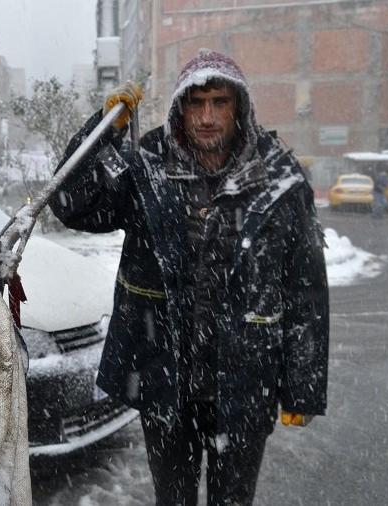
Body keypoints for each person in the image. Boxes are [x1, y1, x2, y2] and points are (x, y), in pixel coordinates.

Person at [50, 50, 329, 505]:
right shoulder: (148, 165)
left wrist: (303, 385)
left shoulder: (279, 176)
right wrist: (103, 133)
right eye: (196, 103)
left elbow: (306, 290)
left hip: (244, 386)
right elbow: (71, 203)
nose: (207, 118)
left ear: (240, 107)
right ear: (180, 107)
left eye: (220, 102)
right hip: (164, 383)